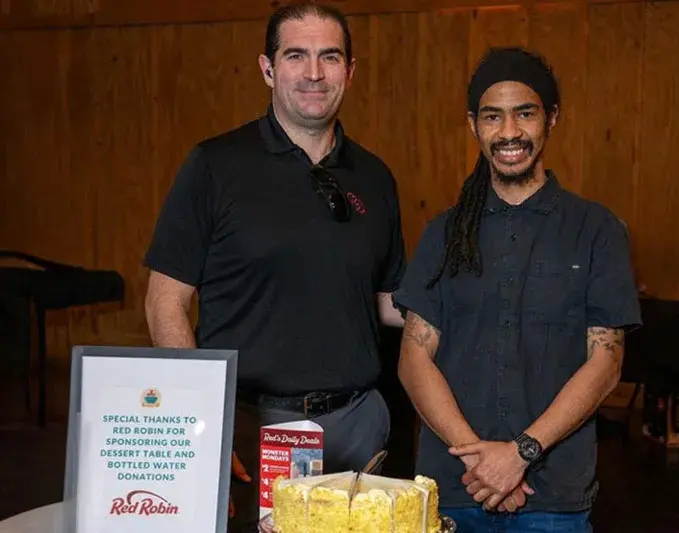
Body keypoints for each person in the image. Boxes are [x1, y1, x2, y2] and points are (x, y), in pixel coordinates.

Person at [142, 0, 405, 518]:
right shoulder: (215, 165)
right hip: (251, 424)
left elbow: (390, 302)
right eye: (295, 56)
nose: (313, 73)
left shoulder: (375, 176)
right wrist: (203, 426)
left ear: (349, 72)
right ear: (268, 68)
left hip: (358, 427)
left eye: (329, 57)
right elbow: (164, 303)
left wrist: (480, 298)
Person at [392, 47, 642, 532]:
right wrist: (482, 462)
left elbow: (606, 362)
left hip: (554, 497)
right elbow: (413, 358)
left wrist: (521, 453)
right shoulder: (443, 233)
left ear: (551, 118)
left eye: (524, 114)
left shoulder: (597, 230)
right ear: (473, 125)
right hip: (453, 489)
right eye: (493, 117)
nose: (508, 133)